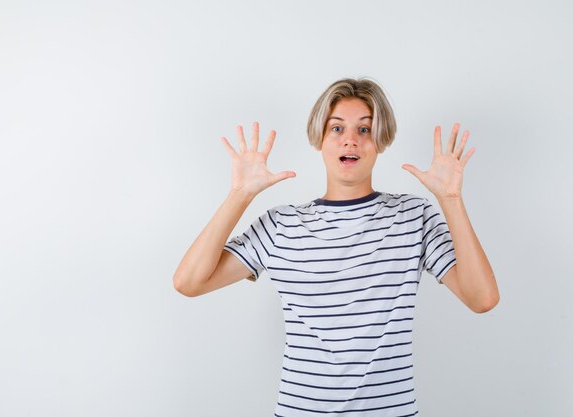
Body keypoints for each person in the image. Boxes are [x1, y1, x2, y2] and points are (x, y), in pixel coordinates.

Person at [173, 78, 499, 416]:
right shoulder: (280, 225)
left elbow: (482, 299)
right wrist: (239, 195)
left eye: (365, 130)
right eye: (337, 128)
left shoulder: (412, 216)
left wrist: (451, 200)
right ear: (320, 139)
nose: (350, 139)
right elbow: (189, 282)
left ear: (381, 141)